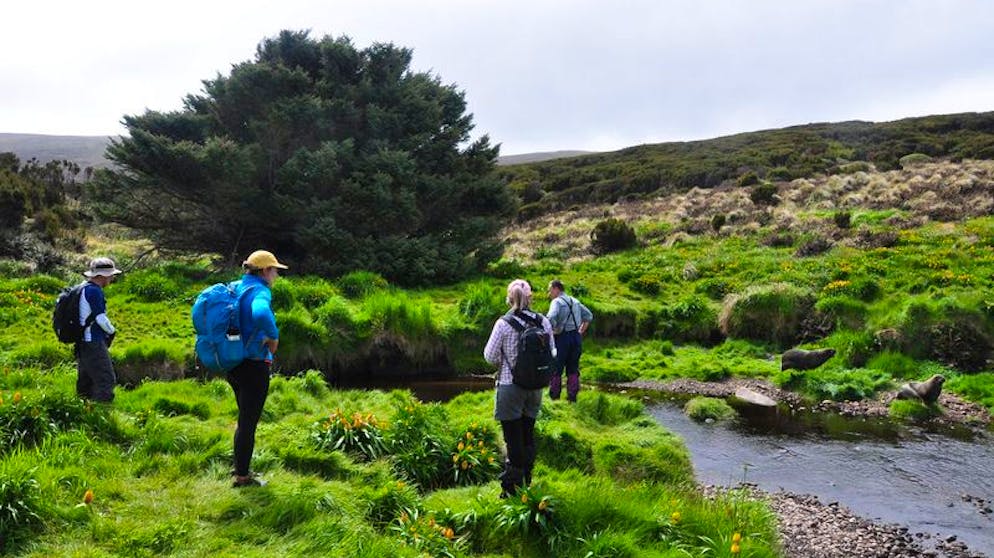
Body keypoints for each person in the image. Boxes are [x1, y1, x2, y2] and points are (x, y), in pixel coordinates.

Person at [483, 279, 556, 497]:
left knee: (512, 439)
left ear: (510, 298)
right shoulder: (543, 322)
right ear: (530, 297)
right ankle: (526, 481)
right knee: (527, 435)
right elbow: (552, 352)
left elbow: (489, 356)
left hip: (510, 387)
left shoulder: (503, 324)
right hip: (535, 388)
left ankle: (511, 490)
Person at [228, 250, 287, 488]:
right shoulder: (260, 291)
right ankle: (242, 477)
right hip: (253, 364)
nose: (276, 275)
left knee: (244, 419)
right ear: (264, 271)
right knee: (248, 423)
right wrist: (273, 338)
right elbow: (261, 313)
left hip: (233, 361)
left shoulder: (237, 287)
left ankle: (240, 467)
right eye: (274, 270)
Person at [75, 257, 122, 402]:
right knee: (106, 380)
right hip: (93, 341)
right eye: (111, 275)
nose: (113, 278)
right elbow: (100, 318)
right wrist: (112, 331)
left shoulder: (83, 287)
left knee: (86, 380)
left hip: (82, 340)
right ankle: (103, 416)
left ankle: (82, 411)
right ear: (102, 276)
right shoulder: (95, 292)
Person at [546, 279, 593, 402]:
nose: (549, 293)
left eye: (550, 290)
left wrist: (555, 329)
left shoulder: (556, 302)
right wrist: (581, 330)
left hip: (562, 338)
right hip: (576, 338)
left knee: (556, 368)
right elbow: (588, 316)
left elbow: (550, 317)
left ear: (556, 289)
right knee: (573, 368)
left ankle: (554, 397)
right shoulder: (575, 301)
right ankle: (572, 397)